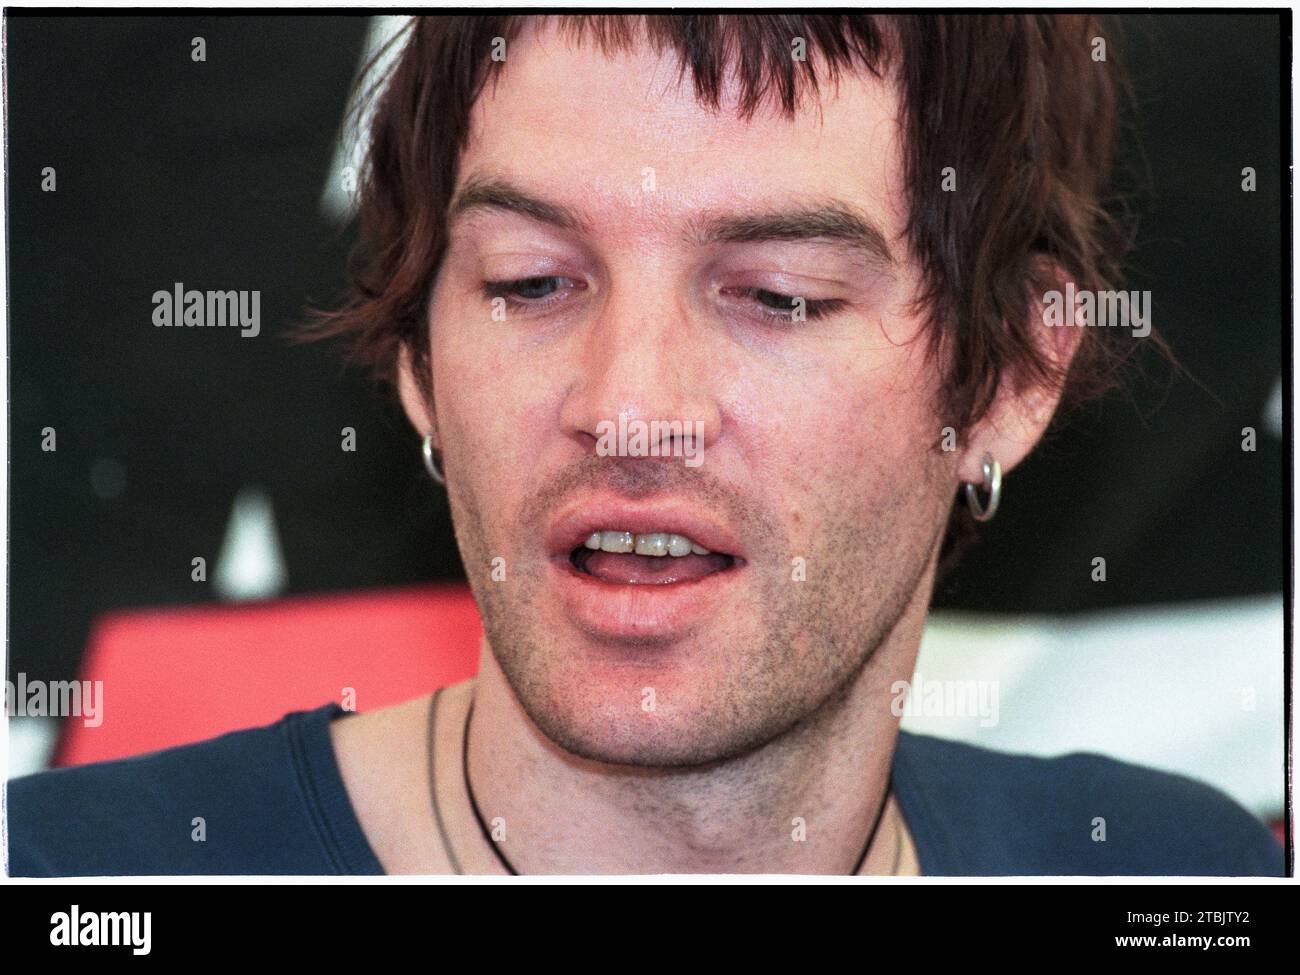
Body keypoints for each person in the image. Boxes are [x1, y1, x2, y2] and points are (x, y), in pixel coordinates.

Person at [7, 13, 1284, 877]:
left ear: (1008, 376)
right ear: (416, 363)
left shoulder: (1174, 871)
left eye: (778, 296)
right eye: (530, 284)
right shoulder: (82, 875)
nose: (628, 405)